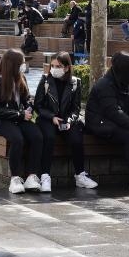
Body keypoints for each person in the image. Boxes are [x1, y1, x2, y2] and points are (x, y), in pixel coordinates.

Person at [85, 51, 129, 191]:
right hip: (100, 123)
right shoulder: (104, 84)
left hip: (114, 122)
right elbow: (113, 112)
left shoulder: (124, 82)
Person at [34, 51, 98, 192]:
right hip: (47, 119)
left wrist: (69, 121)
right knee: (49, 138)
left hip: (66, 120)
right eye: (53, 65)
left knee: (76, 139)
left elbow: (76, 109)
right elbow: (38, 106)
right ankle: (45, 176)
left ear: (67, 67)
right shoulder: (45, 80)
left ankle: (80, 175)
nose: (54, 69)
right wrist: (52, 117)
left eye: (58, 66)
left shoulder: (75, 83)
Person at [0, 49, 43, 194]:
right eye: (22, 63)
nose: (24, 65)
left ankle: (32, 176)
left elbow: (27, 99)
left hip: (20, 118)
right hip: (3, 121)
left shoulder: (21, 78)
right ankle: (15, 178)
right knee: (17, 139)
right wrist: (20, 114)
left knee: (37, 136)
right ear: (12, 65)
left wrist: (29, 107)